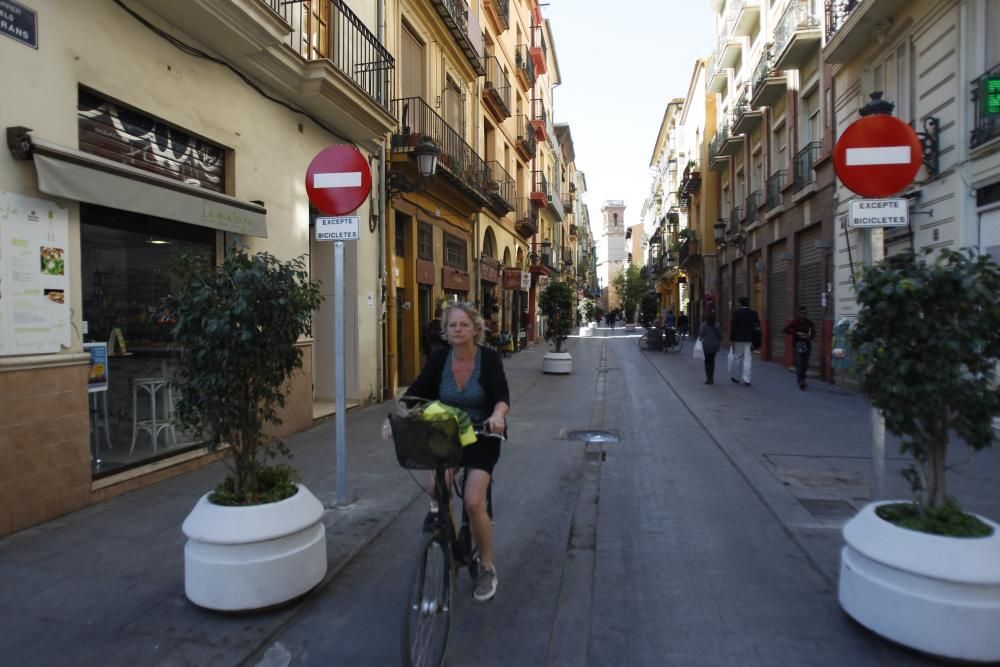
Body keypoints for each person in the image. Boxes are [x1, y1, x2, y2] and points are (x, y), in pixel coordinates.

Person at [405, 302, 510, 602]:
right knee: (435, 489)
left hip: (483, 434)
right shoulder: (439, 359)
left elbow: (502, 396)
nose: (458, 330)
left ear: (475, 328)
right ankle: (447, 533)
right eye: (452, 325)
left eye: (463, 324)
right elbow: (416, 391)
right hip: (449, 434)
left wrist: (498, 415)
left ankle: (487, 565)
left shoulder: (488, 359)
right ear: (446, 330)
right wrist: (397, 414)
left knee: (475, 501)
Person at [729, 296, 760, 386]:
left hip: (739, 339)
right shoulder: (754, 313)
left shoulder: (737, 313)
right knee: (748, 359)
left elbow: (734, 327)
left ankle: (736, 377)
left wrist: (732, 339)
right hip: (749, 339)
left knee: (737, 358)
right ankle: (747, 380)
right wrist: (757, 339)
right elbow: (757, 327)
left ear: (740, 303)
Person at [783, 307, 816, 390]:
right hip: (797, 344)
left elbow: (814, 334)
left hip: (807, 344)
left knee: (805, 363)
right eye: (801, 313)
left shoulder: (810, 323)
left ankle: (803, 378)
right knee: (799, 363)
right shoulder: (794, 323)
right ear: (798, 314)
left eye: (805, 313)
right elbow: (785, 330)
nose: (803, 315)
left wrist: (809, 337)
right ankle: (800, 380)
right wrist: (796, 333)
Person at [698, 311, 723, 384]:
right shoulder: (717, 325)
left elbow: (701, 334)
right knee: (712, 361)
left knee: (706, 362)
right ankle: (711, 377)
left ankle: (708, 378)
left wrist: (700, 338)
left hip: (706, 345)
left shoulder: (704, 325)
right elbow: (719, 335)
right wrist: (720, 340)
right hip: (714, 345)